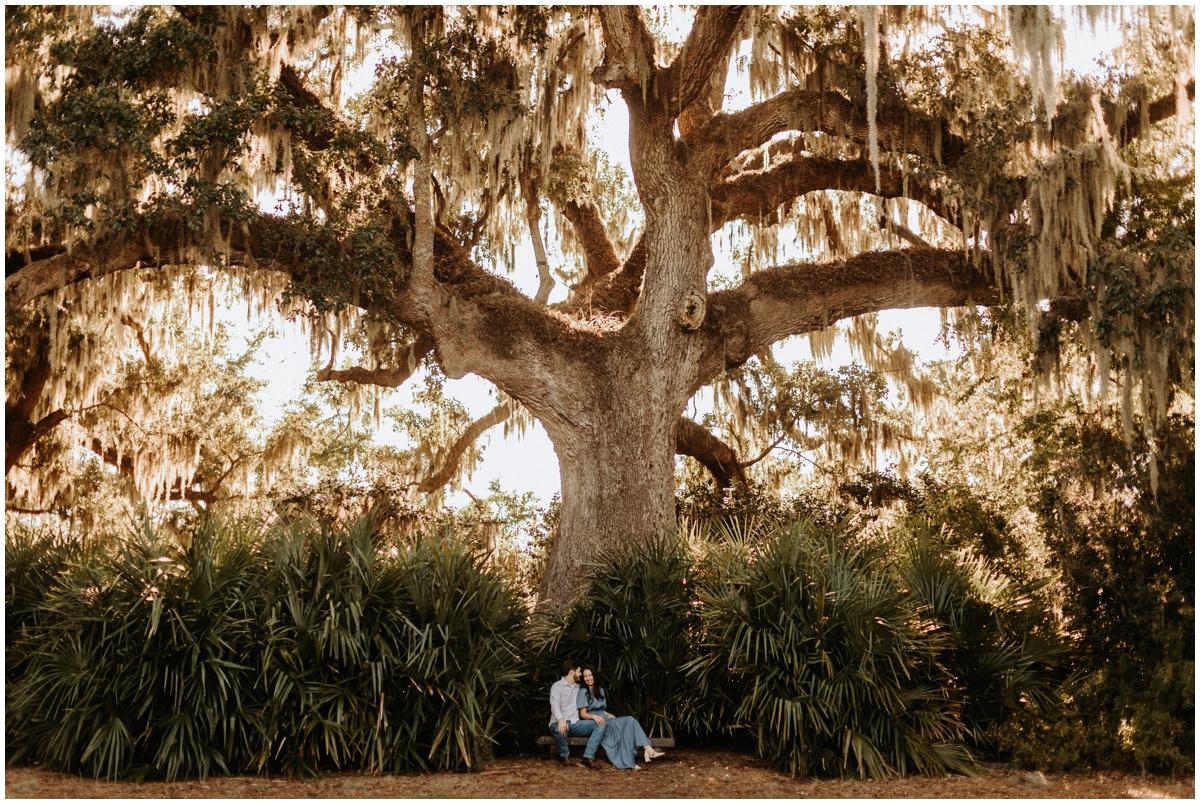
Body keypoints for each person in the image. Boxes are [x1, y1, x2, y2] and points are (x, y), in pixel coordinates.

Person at [576, 665, 665, 770]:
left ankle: (648, 749)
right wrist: (594, 717)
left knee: (630, 720)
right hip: (598, 723)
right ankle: (630, 761)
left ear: (594, 676)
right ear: (583, 678)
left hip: (606, 718)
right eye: (585, 676)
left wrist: (607, 713)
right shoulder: (583, 691)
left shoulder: (600, 690)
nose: (588, 678)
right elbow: (583, 714)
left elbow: (601, 708)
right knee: (623, 731)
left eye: (590, 675)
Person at [548, 658, 604, 767]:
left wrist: (604, 713)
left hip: (575, 724)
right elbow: (555, 705)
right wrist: (561, 720)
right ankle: (565, 757)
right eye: (579, 672)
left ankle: (588, 757)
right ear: (572, 672)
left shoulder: (579, 688)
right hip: (558, 723)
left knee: (600, 725)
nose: (580, 674)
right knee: (560, 731)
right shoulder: (557, 686)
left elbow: (592, 702)